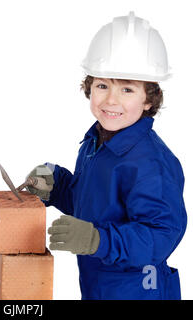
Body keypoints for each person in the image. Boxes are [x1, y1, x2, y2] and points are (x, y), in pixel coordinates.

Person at [25, 12, 187, 300]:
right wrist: (56, 185)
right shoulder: (96, 143)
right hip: (99, 287)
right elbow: (91, 205)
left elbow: (160, 235)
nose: (111, 100)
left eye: (127, 89)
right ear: (89, 88)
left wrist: (97, 240)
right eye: (102, 85)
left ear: (148, 99)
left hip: (139, 292)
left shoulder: (150, 163)